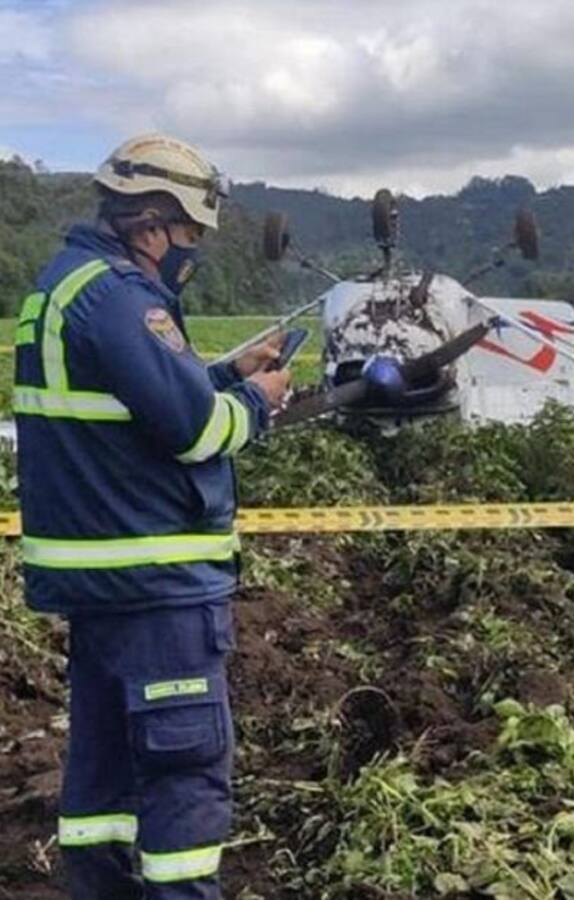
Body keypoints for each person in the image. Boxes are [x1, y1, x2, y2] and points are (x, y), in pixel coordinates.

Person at [12, 133, 291, 899]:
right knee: (182, 780)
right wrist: (255, 404)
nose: (192, 251)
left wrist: (220, 373)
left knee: (102, 780)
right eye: (190, 234)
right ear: (151, 223)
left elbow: (133, 402)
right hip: (157, 588)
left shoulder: (66, 286)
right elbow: (196, 431)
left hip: (104, 588)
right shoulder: (120, 299)